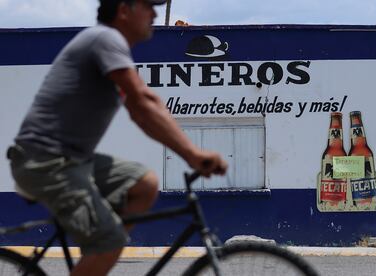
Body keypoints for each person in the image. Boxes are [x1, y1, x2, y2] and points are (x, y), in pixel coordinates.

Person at [6, 0, 227, 275]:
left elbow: (144, 110)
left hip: (73, 160)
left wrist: (189, 153)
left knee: (144, 184)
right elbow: (143, 103)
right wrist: (193, 155)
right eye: (148, 6)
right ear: (124, 10)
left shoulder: (112, 48)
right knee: (109, 240)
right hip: (47, 160)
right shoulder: (105, 38)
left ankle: (97, 257)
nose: (155, 14)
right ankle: (102, 247)